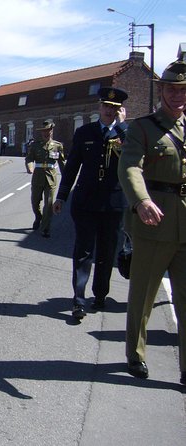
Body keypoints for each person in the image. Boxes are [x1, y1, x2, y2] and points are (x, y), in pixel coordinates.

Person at [117, 58, 186, 384]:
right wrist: (141, 200)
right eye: (172, 89)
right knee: (143, 297)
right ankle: (136, 355)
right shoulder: (143, 128)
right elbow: (130, 167)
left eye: (183, 90)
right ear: (161, 91)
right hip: (153, 224)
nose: (178, 95)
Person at [53, 87, 129, 319]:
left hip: (113, 202)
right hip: (85, 201)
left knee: (107, 251)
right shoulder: (85, 132)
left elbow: (132, 160)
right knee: (83, 251)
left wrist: (121, 127)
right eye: (106, 106)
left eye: (114, 108)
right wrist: (62, 195)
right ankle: (78, 299)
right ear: (99, 107)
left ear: (120, 111)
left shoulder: (126, 133)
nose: (109, 111)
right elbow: (73, 166)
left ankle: (100, 295)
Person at [25, 120, 65, 237]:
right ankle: (38, 217)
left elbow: (62, 163)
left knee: (48, 204)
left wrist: (67, 178)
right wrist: (29, 167)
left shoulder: (57, 146)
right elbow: (29, 159)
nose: (46, 133)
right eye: (44, 131)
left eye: (48, 130)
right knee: (34, 202)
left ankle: (45, 228)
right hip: (37, 177)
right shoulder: (35, 145)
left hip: (51, 178)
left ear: (51, 131)